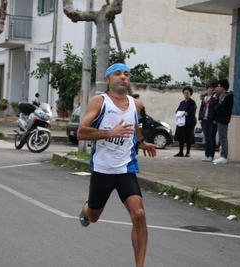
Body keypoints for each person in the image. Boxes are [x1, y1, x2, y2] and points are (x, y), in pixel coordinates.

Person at [77, 63, 157, 267]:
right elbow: (82, 132)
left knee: (138, 214)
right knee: (93, 216)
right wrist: (109, 133)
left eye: (126, 74)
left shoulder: (135, 104)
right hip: (102, 170)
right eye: (117, 74)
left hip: (126, 169)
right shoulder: (99, 102)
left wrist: (141, 142)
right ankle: (85, 210)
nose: (123, 77)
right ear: (107, 80)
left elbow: (134, 124)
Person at [213, 79, 234, 164]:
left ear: (222, 87)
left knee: (223, 138)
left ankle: (224, 156)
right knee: (221, 138)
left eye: (219, 86)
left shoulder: (228, 96)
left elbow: (221, 106)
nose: (218, 88)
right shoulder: (221, 96)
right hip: (220, 118)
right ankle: (222, 155)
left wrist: (218, 107)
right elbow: (217, 106)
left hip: (224, 119)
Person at [173, 86, 197, 157]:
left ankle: (188, 152)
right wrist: (181, 113)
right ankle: (180, 152)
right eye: (185, 93)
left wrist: (185, 113)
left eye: (188, 93)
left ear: (190, 94)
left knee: (188, 137)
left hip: (189, 122)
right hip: (181, 122)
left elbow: (192, 111)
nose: (186, 94)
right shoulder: (182, 103)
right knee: (181, 137)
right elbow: (177, 111)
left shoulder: (192, 102)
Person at [198, 82, 218, 162]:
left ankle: (211, 155)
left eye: (211, 88)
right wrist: (200, 117)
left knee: (211, 138)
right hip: (204, 120)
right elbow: (201, 108)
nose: (210, 89)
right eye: (208, 88)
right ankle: (206, 155)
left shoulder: (215, 98)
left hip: (211, 120)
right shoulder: (204, 98)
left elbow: (216, 109)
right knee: (206, 138)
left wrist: (215, 119)